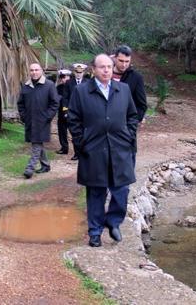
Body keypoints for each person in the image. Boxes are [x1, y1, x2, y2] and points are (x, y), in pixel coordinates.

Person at [68, 54, 139, 247]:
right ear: (94, 69)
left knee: (121, 190)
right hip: (93, 149)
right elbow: (73, 119)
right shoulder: (82, 91)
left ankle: (113, 221)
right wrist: (81, 142)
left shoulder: (122, 90)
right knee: (96, 192)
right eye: (102, 67)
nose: (106, 70)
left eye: (109, 66)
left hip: (120, 148)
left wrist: (128, 135)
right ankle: (95, 232)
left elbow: (133, 116)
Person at [17, 63, 60, 179]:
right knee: (37, 142)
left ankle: (29, 168)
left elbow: (55, 103)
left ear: (41, 71)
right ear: (29, 72)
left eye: (36, 70)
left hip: (43, 121)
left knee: (36, 143)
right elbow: (20, 104)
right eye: (32, 70)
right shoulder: (25, 86)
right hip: (30, 121)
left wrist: (47, 116)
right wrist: (24, 116)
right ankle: (45, 165)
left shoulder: (49, 85)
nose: (34, 72)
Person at [112, 45, 148, 122]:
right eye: (121, 61)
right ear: (114, 58)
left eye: (127, 61)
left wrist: (131, 124)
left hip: (125, 126)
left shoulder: (136, 77)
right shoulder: (105, 75)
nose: (124, 64)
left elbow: (142, 105)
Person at [63, 63, 90, 160]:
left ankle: (85, 151)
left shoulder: (88, 82)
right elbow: (65, 98)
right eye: (77, 72)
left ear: (83, 72)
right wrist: (65, 111)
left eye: (80, 72)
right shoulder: (69, 83)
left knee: (85, 133)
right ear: (74, 72)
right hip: (73, 112)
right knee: (75, 133)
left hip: (85, 112)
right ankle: (77, 153)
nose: (79, 74)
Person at [55, 69, 72, 155]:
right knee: (62, 131)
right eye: (61, 77)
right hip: (61, 113)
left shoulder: (74, 86)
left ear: (69, 77)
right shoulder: (59, 88)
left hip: (72, 114)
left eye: (64, 77)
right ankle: (64, 148)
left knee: (75, 132)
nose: (63, 79)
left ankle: (78, 150)